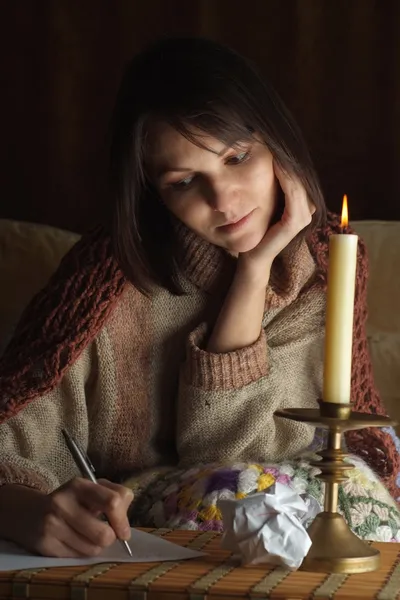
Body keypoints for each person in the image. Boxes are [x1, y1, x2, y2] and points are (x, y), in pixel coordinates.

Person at [0, 37, 399, 558]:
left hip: (297, 491)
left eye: (237, 157)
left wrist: (255, 271)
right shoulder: (105, 281)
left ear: (278, 145)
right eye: (185, 181)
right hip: (147, 523)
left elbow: (300, 451)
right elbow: (231, 466)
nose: (224, 200)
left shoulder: (325, 267)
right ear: (152, 192)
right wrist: (19, 507)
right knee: (233, 497)